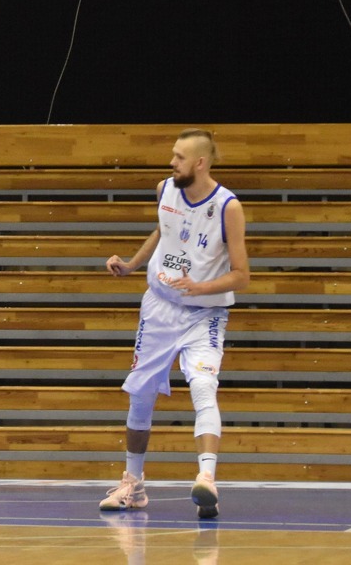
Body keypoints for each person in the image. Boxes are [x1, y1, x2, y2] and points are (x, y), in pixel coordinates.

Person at [99, 128, 250, 521]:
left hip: (204, 314)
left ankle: (206, 479)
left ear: (199, 162)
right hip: (159, 308)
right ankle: (133, 485)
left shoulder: (228, 207)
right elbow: (162, 231)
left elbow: (242, 275)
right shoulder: (164, 189)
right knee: (140, 395)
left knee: (202, 386)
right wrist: (132, 265)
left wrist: (201, 287)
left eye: (179, 157)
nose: (171, 162)